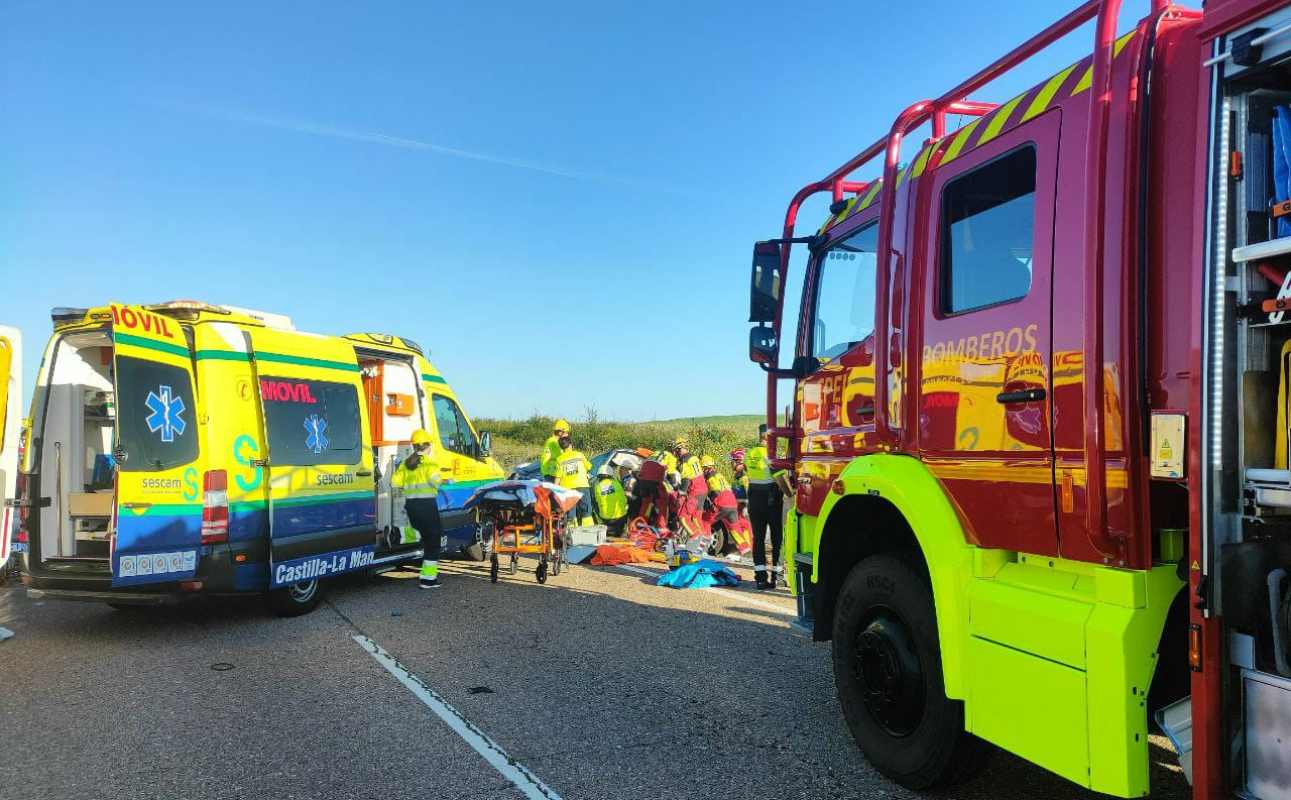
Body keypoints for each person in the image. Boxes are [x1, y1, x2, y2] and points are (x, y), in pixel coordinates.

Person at [391, 429, 449, 589]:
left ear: (414, 446)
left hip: (411, 505)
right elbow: (435, 481)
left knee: (425, 535)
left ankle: (403, 534)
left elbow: (394, 483)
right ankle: (428, 580)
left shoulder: (405, 463)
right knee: (433, 542)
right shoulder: (431, 463)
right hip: (427, 505)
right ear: (428, 445)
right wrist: (447, 480)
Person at [747, 424, 792, 590]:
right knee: (777, 539)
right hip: (771, 500)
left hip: (754, 499)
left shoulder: (749, 453)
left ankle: (760, 579)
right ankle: (777, 577)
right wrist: (791, 494)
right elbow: (780, 479)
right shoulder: (770, 455)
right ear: (767, 436)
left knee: (758, 539)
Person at [554, 431, 595, 527]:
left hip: (567, 489)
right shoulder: (579, 455)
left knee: (571, 515)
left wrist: (555, 491)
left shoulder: (559, 460)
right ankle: (588, 534)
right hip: (582, 486)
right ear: (571, 445)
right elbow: (589, 467)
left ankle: (571, 537)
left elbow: (558, 478)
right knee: (586, 513)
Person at [592, 464, 628, 536]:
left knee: (595, 502)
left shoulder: (598, 487)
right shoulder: (617, 483)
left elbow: (596, 502)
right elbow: (624, 499)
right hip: (621, 517)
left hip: (606, 518)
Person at [540, 419, 570, 483]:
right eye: (566, 432)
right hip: (551, 472)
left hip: (552, 471)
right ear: (560, 432)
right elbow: (560, 456)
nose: (567, 435)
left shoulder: (553, 440)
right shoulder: (553, 442)